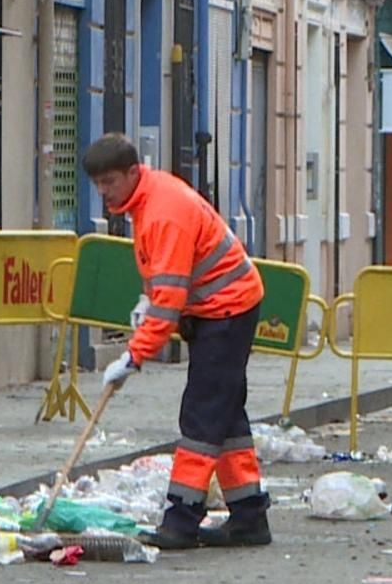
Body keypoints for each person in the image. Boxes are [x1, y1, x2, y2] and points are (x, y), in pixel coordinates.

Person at [84, 133, 269, 549]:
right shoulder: (148, 201)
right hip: (222, 307)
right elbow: (165, 282)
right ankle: (249, 515)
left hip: (225, 310)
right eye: (98, 184)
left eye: (110, 182)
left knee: (202, 416)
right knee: (225, 415)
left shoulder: (162, 211)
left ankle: (182, 519)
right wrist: (147, 301)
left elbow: (169, 301)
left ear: (134, 172)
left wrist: (134, 356)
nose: (103, 192)